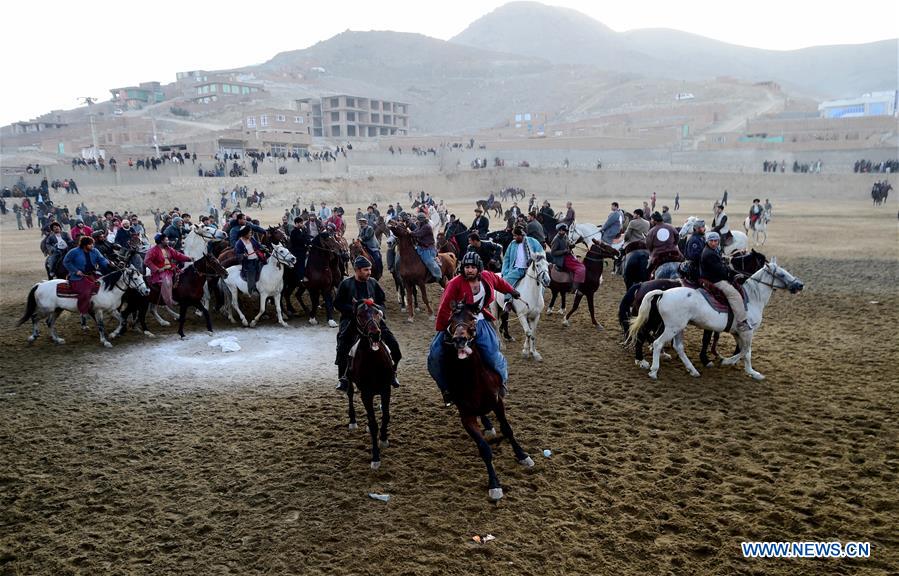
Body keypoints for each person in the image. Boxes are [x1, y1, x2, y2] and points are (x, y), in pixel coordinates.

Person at [428, 252, 520, 405]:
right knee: (435, 355)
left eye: (472, 267)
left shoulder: (487, 277)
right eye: (467, 267)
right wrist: (443, 329)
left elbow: (499, 282)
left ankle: (502, 382)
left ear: (479, 269)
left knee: (492, 354)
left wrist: (512, 291)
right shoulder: (455, 283)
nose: (469, 270)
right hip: (457, 323)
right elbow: (445, 306)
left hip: (481, 322)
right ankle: (446, 389)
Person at [334, 256, 402, 392]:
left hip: (373, 319)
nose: (369, 272)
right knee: (343, 343)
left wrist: (380, 311)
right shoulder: (346, 284)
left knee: (393, 344)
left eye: (370, 269)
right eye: (366, 270)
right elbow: (338, 303)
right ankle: (343, 378)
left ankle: (392, 373)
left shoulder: (373, 282)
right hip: (353, 320)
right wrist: (356, 309)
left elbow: (382, 301)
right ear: (357, 270)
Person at [700, 232, 751, 332]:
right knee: (735, 295)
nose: (714, 243)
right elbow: (721, 271)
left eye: (716, 241)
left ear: (718, 242)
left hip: (712, 277)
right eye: (711, 241)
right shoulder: (710, 254)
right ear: (708, 241)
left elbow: (720, 264)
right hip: (714, 280)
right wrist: (731, 275)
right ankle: (741, 322)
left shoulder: (711, 250)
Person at [63, 235, 111, 321]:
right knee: (86, 290)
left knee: (104, 284)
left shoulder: (95, 251)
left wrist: (109, 263)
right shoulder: (74, 252)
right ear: (84, 245)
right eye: (90, 244)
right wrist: (75, 271)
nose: (92, 246)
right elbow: (66, 262)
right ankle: (83, 311)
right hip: (77, 277)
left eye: (93, 244)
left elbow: (102, 260)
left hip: (92, 274)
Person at [145, 233, 191, 307]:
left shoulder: (168, 248)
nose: (168, 241)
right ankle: (169, 300)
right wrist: (157, 269)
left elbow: (177, 255)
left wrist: (189, 258)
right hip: (160, 272)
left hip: (172, 269)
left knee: (184, 277)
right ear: (161, 241)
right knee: (167, 282)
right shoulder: (152, 250)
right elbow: (147, 261)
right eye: (166, 240)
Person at [501, 225, 544, 293]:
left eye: (515, 236)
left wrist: (536, 257)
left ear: (521, 235)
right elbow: (506, 258)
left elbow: (541, 253)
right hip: (517, 270)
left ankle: (539, 302)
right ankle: (507, 301)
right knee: (506, 282)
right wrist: (505, 271)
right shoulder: (512, 244)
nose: (513, 237)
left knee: (541, 286)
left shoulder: (533, 242)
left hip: (531, 270)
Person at [549, 223, 585, 293]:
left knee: (582, 265)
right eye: (561, 230)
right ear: (558, 230)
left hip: (569, 256)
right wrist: (564, 251)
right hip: (562, 259)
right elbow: (553, 252)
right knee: (580, 269)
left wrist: (573, 245)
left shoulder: (565, 236)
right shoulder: (556, 240)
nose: (562, 232)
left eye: (564, 230)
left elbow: (568, 244)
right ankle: (574, 287)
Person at [645, 211, 683, 276]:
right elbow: (677, 237)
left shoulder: (651, 231)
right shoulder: (671, 227)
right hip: (674, 251)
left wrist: (652, 251)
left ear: (655, 221)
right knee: (684, 263)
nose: (651, 221)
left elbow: (649, 245)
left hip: (657, 254)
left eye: (651, 219)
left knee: (648, 270)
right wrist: (674, 244)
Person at [234, 225, 266, 296]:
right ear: (244, 233)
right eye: (249, 233)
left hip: (257, 259)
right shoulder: (239, 243)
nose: (251, 234)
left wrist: (263, 247)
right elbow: (238, 255)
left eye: (251, 232)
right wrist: (243, 256)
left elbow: (258, 245)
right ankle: (252, 290)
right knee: (251, 273)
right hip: (248, 263)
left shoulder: (252, 239)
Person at [411, 213, 443, 281]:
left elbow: (418, 234)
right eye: (418, 220)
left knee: (429, 262)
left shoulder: (427, 227)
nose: (418, 221)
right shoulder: (420, 225)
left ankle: (438, 275)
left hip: (428, 249)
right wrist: (410, 232)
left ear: (423, 220)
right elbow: (415, 231)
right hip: (420, 247)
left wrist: (410, 233)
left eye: (419, 220)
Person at [681, 219, 706, 283]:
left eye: (704, 227)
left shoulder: (700, 238)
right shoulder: (694, 240)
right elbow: (694, 256)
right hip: (695, 269)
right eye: (702, 227)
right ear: (697, 229)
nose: (704, 229)